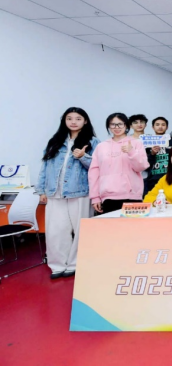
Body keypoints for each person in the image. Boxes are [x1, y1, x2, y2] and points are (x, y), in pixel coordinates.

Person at [36, 107, 100, 280]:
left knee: (81, 231)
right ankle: (58, 265)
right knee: (56, 230)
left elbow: (97, 168)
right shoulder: (55, 141)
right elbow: (45, 167)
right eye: (69, 118)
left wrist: (83, 156)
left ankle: (76, 263)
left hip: (80, 192)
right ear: (64, 121)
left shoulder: (93, 142)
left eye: (78, 118)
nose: (73, 122)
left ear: (85, 121)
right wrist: (41, 190)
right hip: (54, 192)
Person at [89, 113, 149, 214]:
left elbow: (141, 167)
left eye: (120, 124)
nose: (116, 127)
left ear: (126, 125)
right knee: (110, 224)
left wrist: (131, 152)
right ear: (108, 126)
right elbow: (94, 172)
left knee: (133, 224)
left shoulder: (136, 143)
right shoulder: (101, 146)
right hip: (108, 197)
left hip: (132, 196)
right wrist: (95, 197)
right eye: (113, 124)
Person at [144, 118, 172, 197]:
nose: (160, 127)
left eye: (163, 125)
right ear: (153, 127)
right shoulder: (147, 142)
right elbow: (145, 165)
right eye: (157, 125)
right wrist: (152, 154)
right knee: (154, 202)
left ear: (167, 127)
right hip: (154, 179)